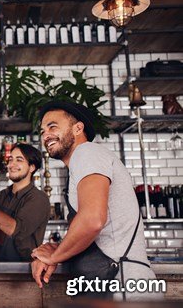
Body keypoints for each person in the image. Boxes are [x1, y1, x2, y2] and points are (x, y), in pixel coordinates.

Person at [31, 101, 162, 300]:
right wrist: (57, 249)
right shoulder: (81, 165)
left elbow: (92, 220)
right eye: (42, 131)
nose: (45, 135)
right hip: (117, 285)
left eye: (52, 127)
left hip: (123, 285)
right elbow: (94, 232)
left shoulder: (87, 152)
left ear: (78, 128)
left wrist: (54, 256)